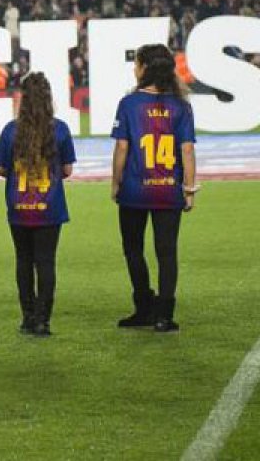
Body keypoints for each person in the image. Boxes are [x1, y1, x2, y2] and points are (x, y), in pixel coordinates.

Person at [111, 43, 197, 333]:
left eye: (136, 64)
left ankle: (143, 308)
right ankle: (164, 315)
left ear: (145, 68)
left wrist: (115, 182)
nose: (135, 69)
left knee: (133, 249)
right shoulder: (181, 105)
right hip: (168, 189)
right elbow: (187, 151)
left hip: (135, 188)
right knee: (167, 252)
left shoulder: (129, 103)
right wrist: (188, 188)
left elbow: (123, 147)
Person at [0, 72, 76, 337]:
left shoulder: (11, 130)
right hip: (49, 207)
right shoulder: (60, 128)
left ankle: (28, 317)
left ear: (23, 99)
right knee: (46, 262)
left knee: (23, 260)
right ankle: (43, 319)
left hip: (19, 206)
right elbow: (66, 170)